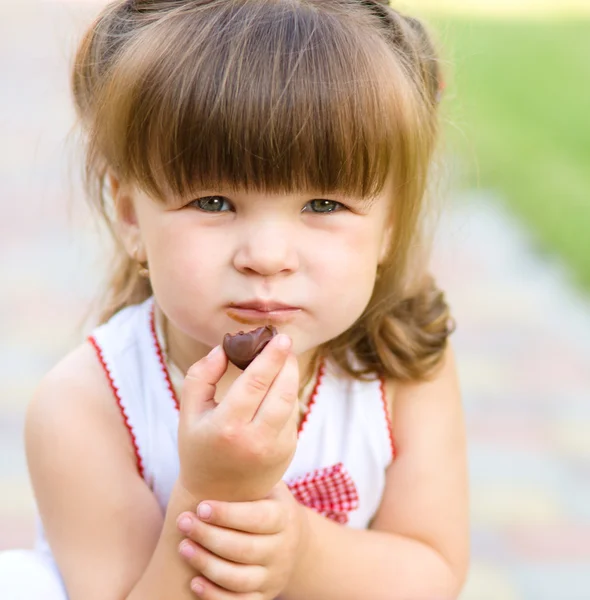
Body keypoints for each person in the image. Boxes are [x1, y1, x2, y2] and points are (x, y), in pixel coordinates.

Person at [0, 0, 469, 598]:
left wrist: (300, 553)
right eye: (214, 202)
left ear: (390, 224)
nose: (268, 255)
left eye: (323, 205)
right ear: (129, 215)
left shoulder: (400, 366)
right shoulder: (88, 404)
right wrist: (211, 489)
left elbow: (433, 571)